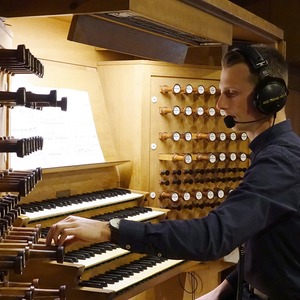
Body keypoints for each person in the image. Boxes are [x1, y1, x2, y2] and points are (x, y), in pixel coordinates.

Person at [45, 44, 300, 300]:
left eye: (231, 93)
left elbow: (212, 237)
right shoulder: (273, 152)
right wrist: (224, 289)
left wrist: (108, 229)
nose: (220, 104)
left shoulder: (281, 162)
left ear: (270, 97)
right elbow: (265, 243)